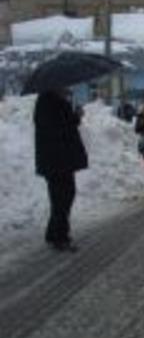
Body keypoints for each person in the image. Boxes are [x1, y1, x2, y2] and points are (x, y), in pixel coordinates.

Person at [34, 89, 88, 252]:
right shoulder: (50, 104)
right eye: (63, 87)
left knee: (61, 196)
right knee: (62, 197)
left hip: (57, 159)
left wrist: (74, 116)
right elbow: (60, 128)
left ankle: (53, 233)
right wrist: (75, 116)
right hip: (57, 160)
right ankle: (60, 237)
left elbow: (63, 125)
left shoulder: (49, 103)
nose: (66, 89)